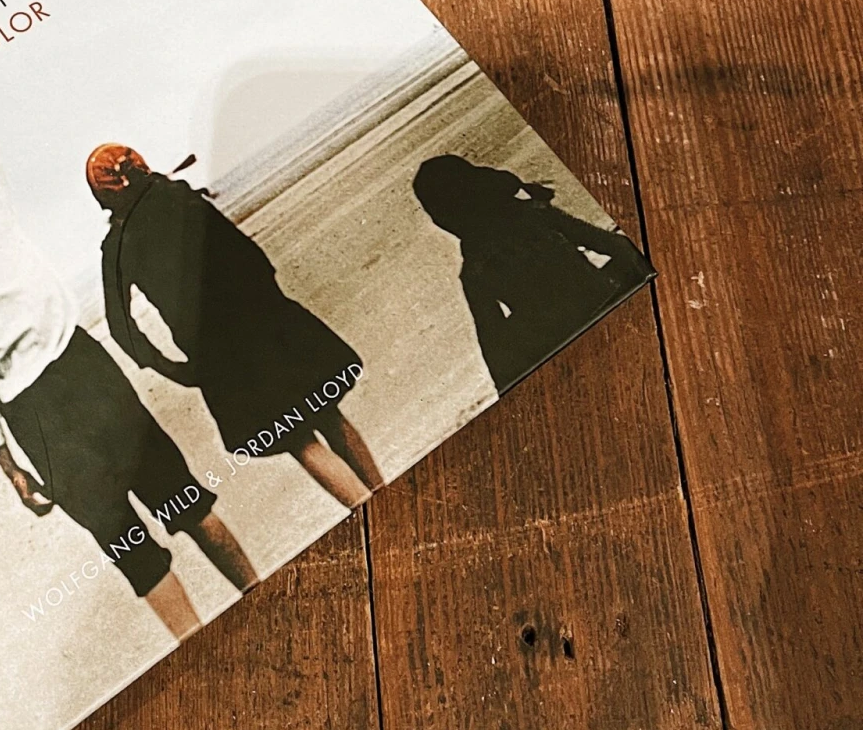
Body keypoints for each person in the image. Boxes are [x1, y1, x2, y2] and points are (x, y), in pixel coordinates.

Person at [0, 101, 258, 641]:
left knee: (130, 550)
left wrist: (10, 468)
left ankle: (200, 646)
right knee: (184, 502)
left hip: (36, 417)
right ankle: (259, 595)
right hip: (87, 372)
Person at [88, 144, 384, 509]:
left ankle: (370, 510)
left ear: (104, 198)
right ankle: (385, 499)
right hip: (268, 321)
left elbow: (121, 328)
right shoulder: (182, 198)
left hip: (218, 357)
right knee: (329, 416)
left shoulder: (119, 245)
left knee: (298, 440)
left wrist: (171, 368)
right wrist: (274, 308)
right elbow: (252, 257)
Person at [412, 153, 652, 394]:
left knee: (509, 334)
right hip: (605, 302)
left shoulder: (475, 272)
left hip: (564, 342)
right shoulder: (534, 215)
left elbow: (494, 351)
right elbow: (613, 245)